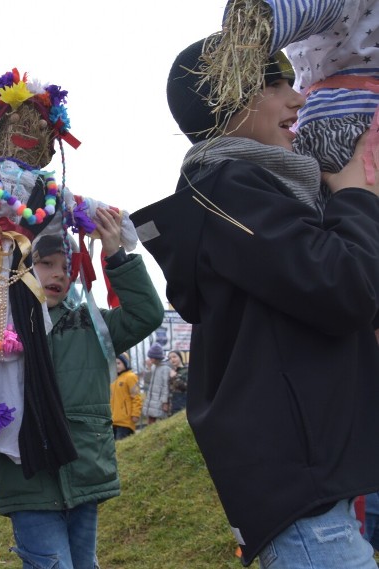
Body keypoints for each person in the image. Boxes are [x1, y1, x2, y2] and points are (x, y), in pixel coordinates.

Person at [130, 35, 379, 567]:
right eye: (274, 83)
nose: (297, 98)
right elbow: (346, 287)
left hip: (322, 492)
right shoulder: (228, 189)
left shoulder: (262, 190)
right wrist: (357, 195)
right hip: (305, 507)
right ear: (226, 99)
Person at [0, 231, 162, 569]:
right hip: (28, 481)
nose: (58, 274)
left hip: (82, 475)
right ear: (20, 267)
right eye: (46, 264)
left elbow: (147, 315)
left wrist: (116, 256)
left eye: (68, 267)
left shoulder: (90, 325)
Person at [110, 353, 142, 441]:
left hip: (125, 421)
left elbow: (136, 397)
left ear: (125, 363)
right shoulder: (114, 378)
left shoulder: (130, 377)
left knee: (122, 445)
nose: (116, 366)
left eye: (118, 363)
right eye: (114, 363)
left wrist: (135, 414)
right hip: (114, 420)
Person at [140, 343, 170, 425]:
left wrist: (164, 402)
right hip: (151, 400)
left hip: (159, 401)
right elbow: (146, 380)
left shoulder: (165, 368)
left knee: (158, 423)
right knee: (150, 421)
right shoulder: (153, 366)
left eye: (151, 358)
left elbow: (165, 387)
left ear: (157, 357)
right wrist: (148, 368)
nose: (150, 359)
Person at [166, 350, 188, 416]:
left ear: (180, 357)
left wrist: (175, 377)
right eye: (170, 358)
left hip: (182, 405)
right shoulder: (172, 371)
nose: (172, 359)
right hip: (172, 406)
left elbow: (186, 387)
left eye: (174, 357)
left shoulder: (186, 370)